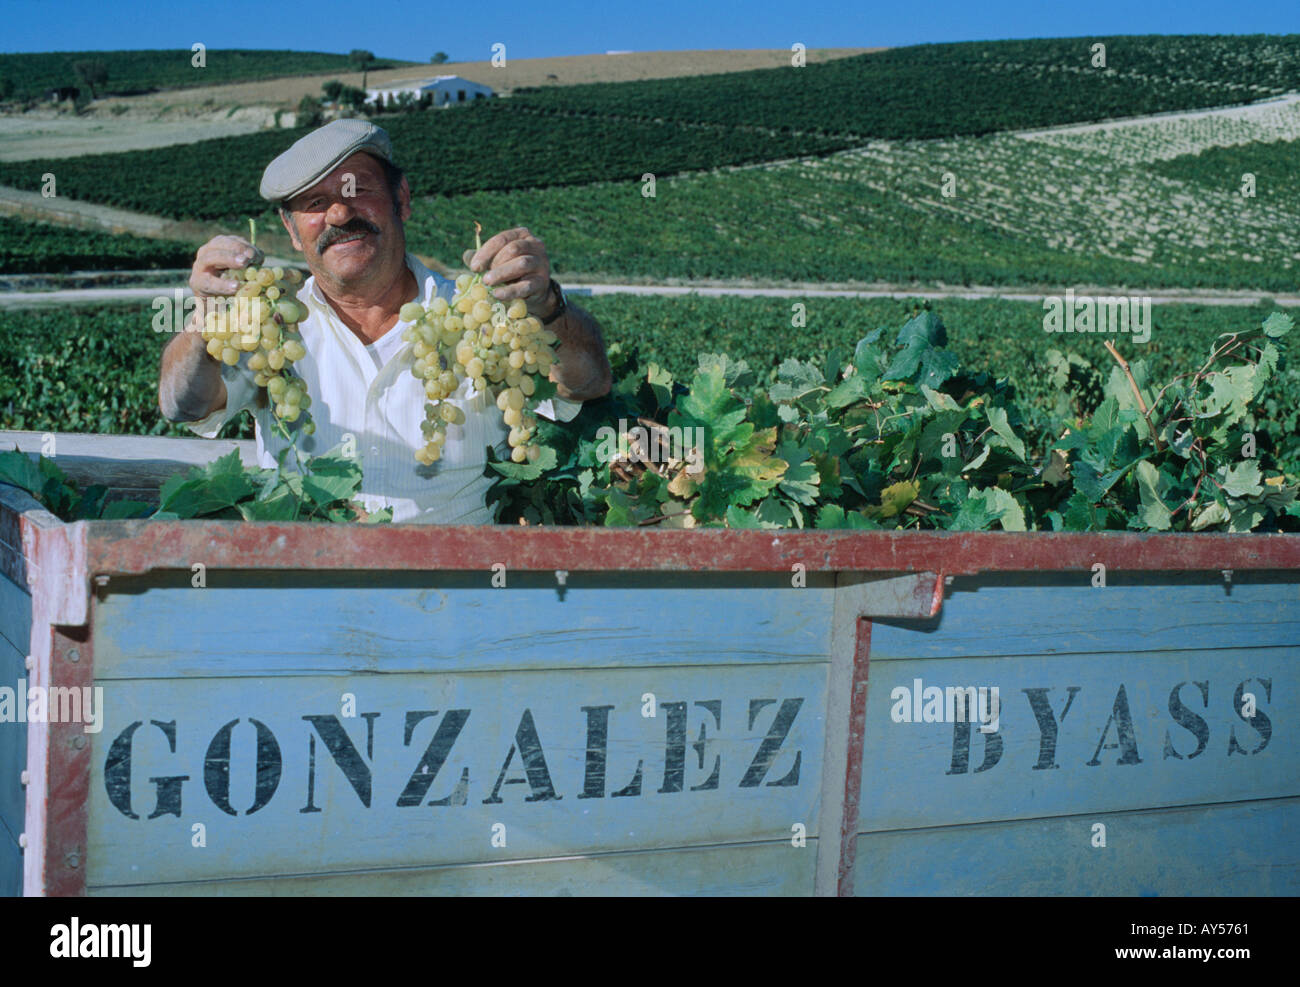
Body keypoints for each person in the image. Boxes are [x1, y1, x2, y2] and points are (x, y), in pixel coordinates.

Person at [158, 119, 612, 523]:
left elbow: (588, 382)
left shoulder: (477, 317)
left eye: (357, 189)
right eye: (315, 203)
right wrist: (206, 319)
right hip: (312, 589)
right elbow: (183, 405)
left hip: (457, 598)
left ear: (402, 199)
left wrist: (547, 306)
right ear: (293, 231)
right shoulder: (269, 324)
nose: (339, 213)